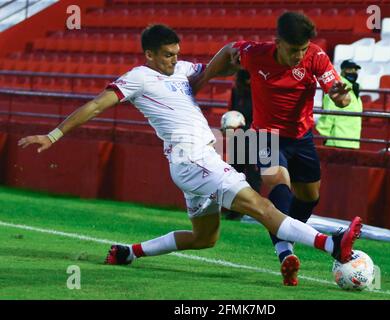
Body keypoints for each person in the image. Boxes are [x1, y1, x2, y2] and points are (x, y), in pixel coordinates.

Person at [17, 25, 362, 285]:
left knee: (204, 238)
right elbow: (95, 105)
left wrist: (249, 63)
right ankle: (332, 245)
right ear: (150, 54)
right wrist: (54, 134)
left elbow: (221, 65)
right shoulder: (138, 77)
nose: (174, 59)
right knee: (262, 207)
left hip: (194, 162)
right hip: (194, 159)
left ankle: (128, 252)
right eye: (167, 54)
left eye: (176, 53)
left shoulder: (182, 71)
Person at [195, 12, 354, 286]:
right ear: (278, 42)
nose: (299, 55)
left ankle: (286, 235)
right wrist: (203, 78)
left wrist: (341, 97)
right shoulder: (256, 54)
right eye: (294, 50)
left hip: (301, 137)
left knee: (309, 197)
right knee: (279, 184)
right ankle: (284, 253)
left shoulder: (315, 56)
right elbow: (229, 49)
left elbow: (338, 94)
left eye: (303, 49)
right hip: (264, 135)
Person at [223, 69, 262, 220]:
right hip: (239, 136)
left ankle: (253, 212)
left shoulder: (260, 91)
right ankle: (235, 210)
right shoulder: (236, 91)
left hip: (258, 135)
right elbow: (232, 112)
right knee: (235, 174)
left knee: (254, 176)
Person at [316, 59, 363, 149]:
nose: (353, 72)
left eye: (355, 70)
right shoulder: (337, 88)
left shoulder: (354, 89)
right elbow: (328, 113)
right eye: (349, 69)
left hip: (353, 141)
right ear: (342, 71)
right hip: (336, 142)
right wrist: (324, 135)